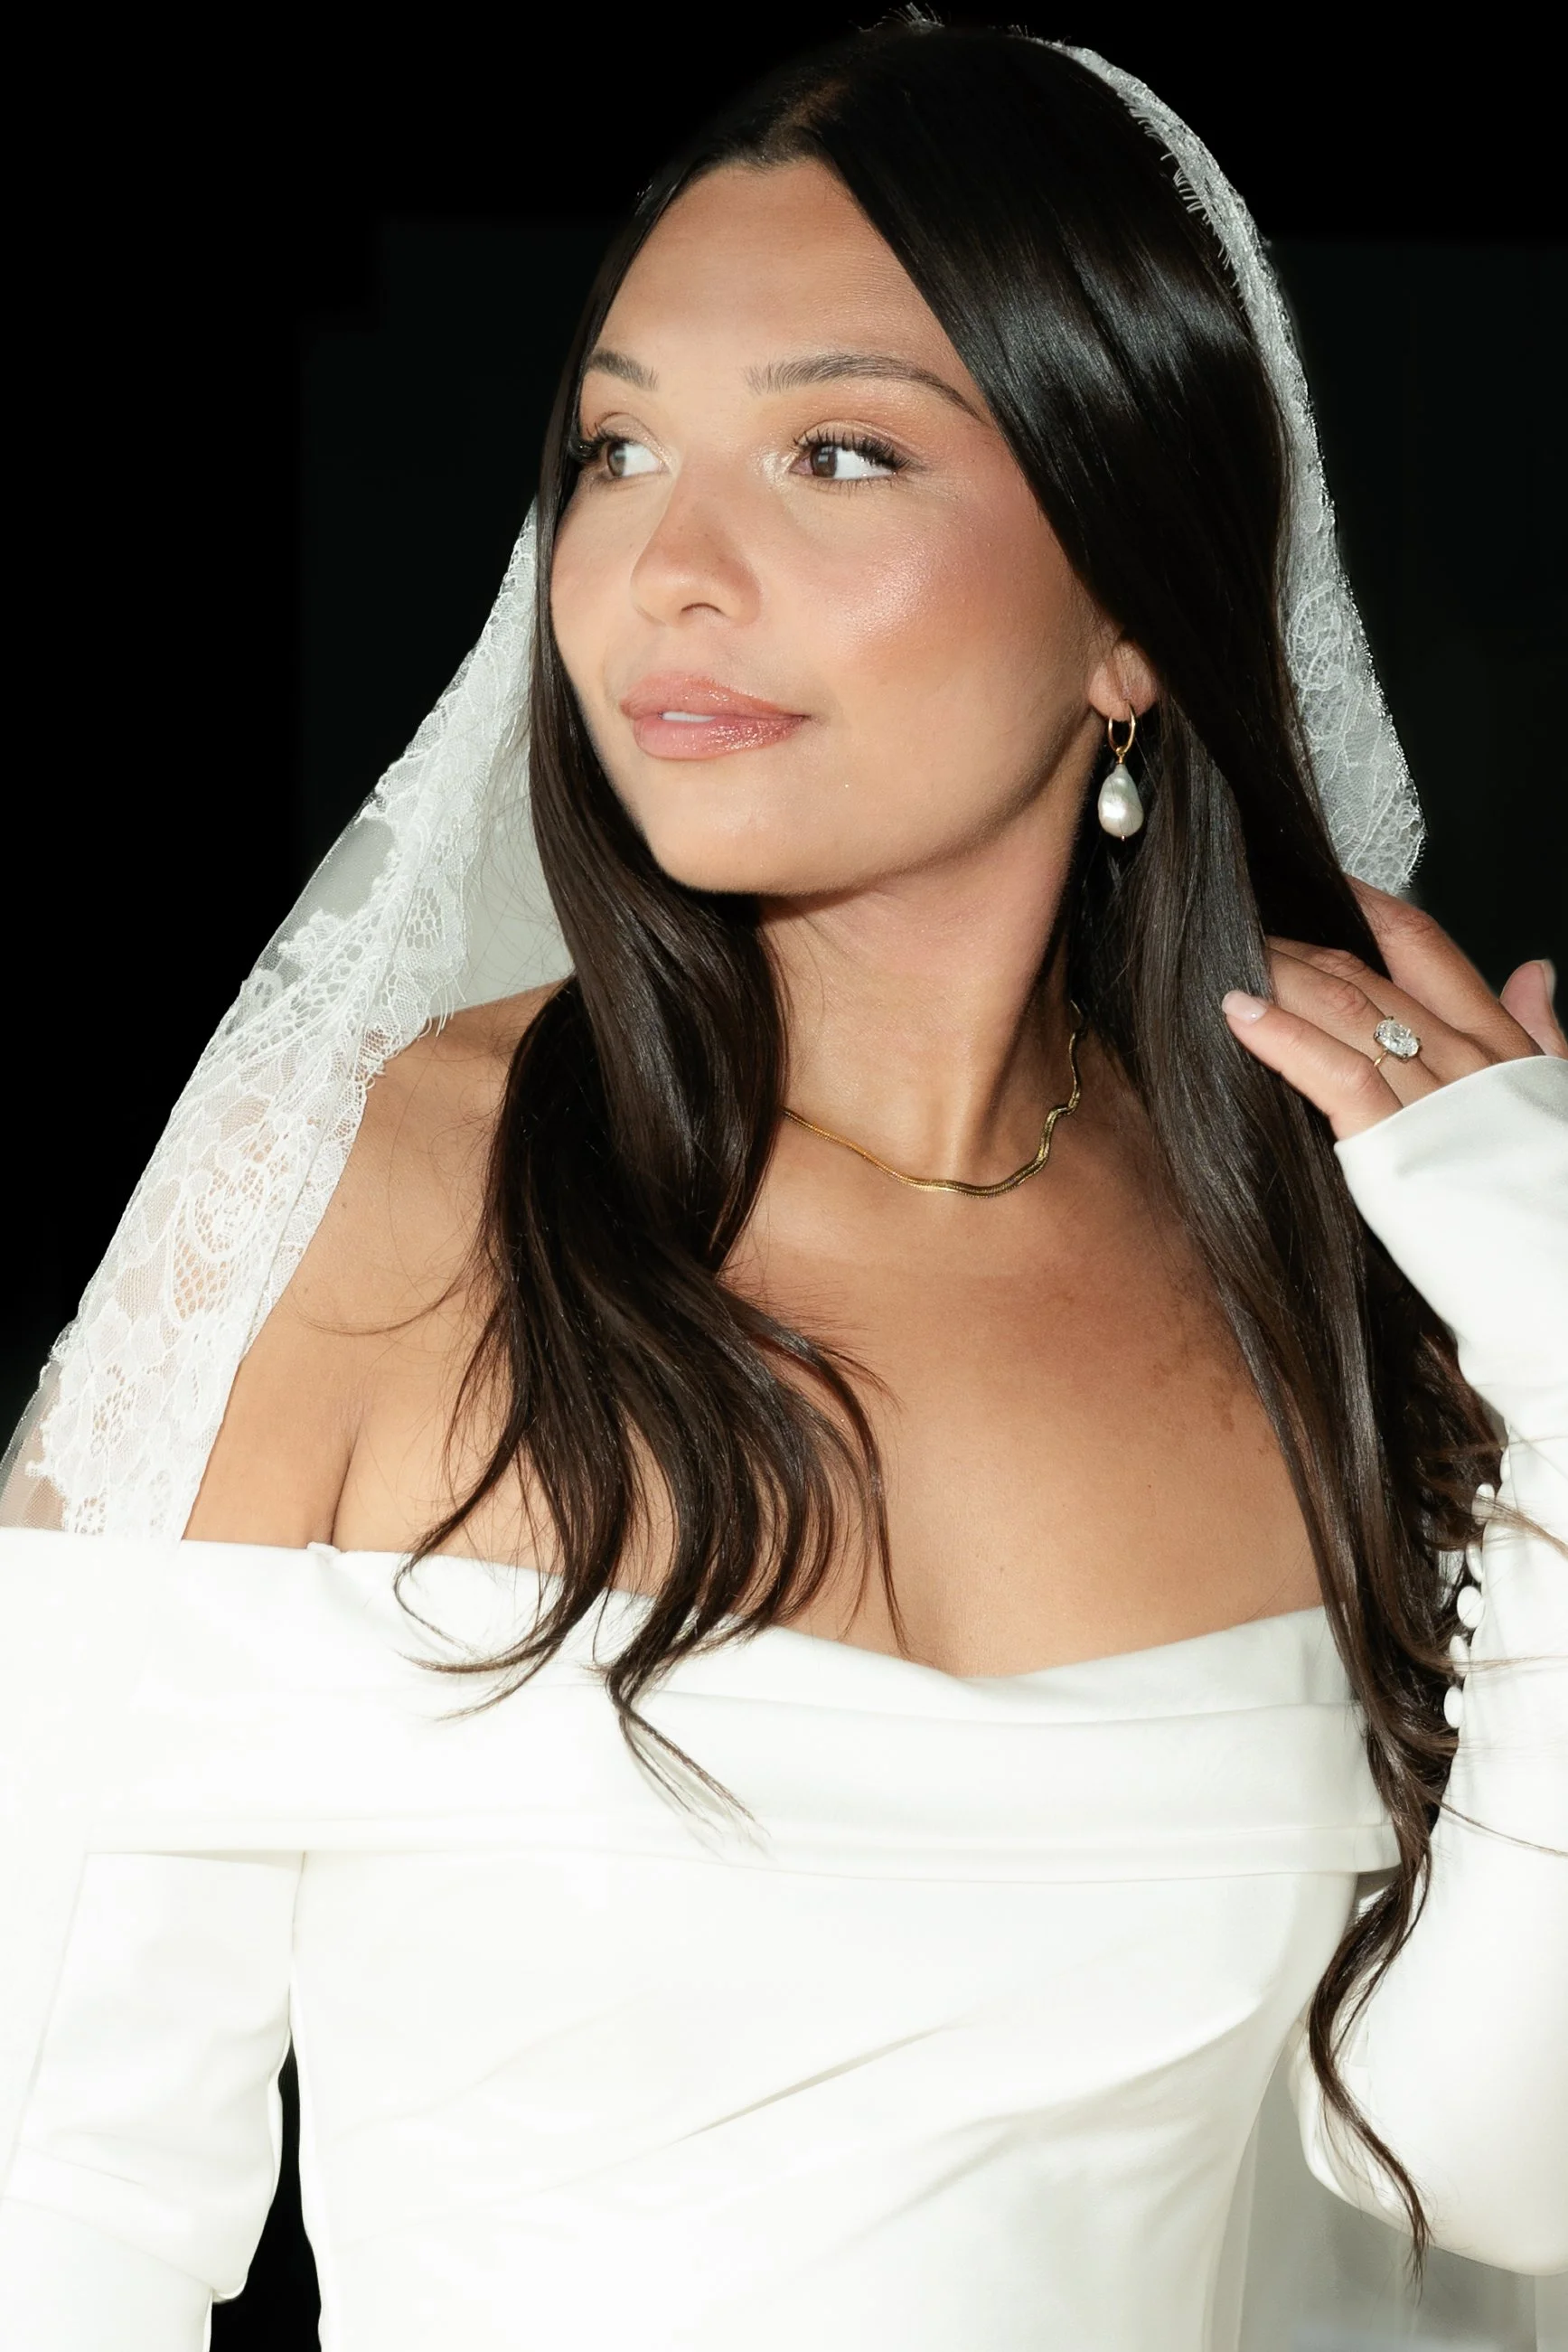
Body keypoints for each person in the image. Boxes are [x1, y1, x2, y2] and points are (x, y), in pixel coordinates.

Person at [1, 24, 1563, 2350]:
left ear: (1134, 605)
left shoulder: (1330, 1251)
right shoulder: (357, 1198)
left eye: (837, 451)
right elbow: (56, 2182)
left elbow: (1473, 2193)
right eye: (615, 449)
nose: (665, 568)